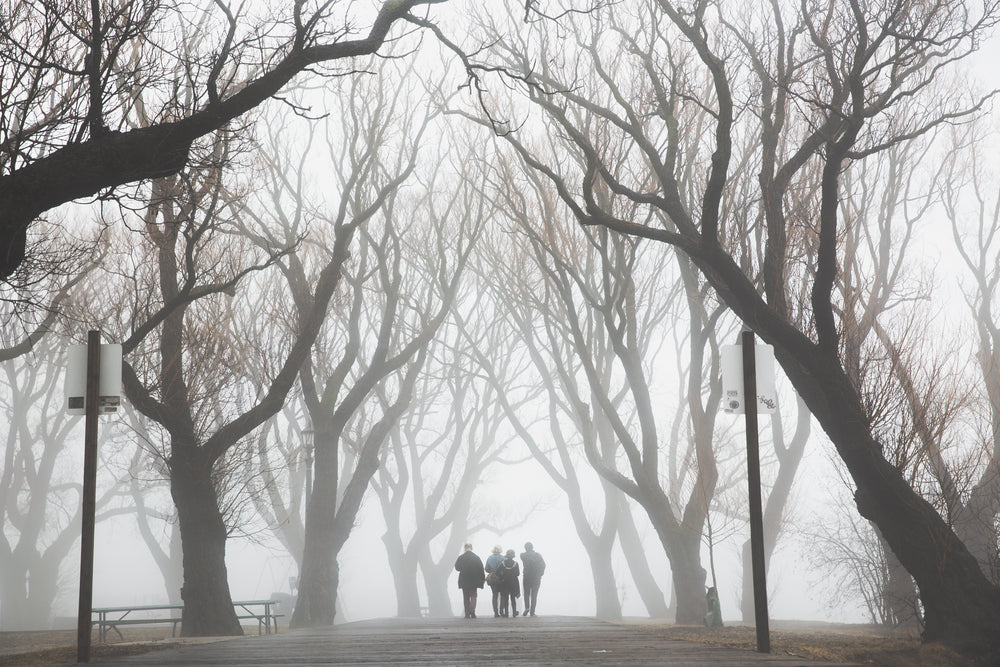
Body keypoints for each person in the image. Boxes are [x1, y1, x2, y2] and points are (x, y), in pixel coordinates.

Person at [454, 543, 486, 618]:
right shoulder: (476, 558)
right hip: (474, 580)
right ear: (471, 548)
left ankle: (467, 613)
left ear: (464, 548)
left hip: (464, 580)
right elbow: (481, 569)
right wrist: (482, 579)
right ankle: (472, 610)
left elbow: (457, 568)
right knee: (473, 595)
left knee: (466, 597)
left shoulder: (461, 557)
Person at [520, 541, 546, 617]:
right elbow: (544, 565)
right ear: (532, 547)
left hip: (527, 577)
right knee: (534, 595)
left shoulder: (523, 555)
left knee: (526, 593)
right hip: (536, 578)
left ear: (525, 548)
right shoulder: (538, 555)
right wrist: (540, 573)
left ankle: (527, 607)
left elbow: (524, 557)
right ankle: (532, 612)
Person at [495, 549, 521, 618]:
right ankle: (514, 613)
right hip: (513, 583)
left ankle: (506, 613)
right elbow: (518, 574)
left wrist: (502, 576)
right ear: (513, 556)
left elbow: (497, 572)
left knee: (506, 598)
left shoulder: (503, 563)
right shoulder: (516, 564)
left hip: (504, 582)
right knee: (513, 598)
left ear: (506, 556)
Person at [484, 545, 504, 618]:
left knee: (494, 595)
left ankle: (496, 612)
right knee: (502, 595)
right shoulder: (503, 558)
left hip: (493, 579)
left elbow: (486, 569)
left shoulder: (490, 558)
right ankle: (502, 611)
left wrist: (491, 571)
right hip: (501, 579)